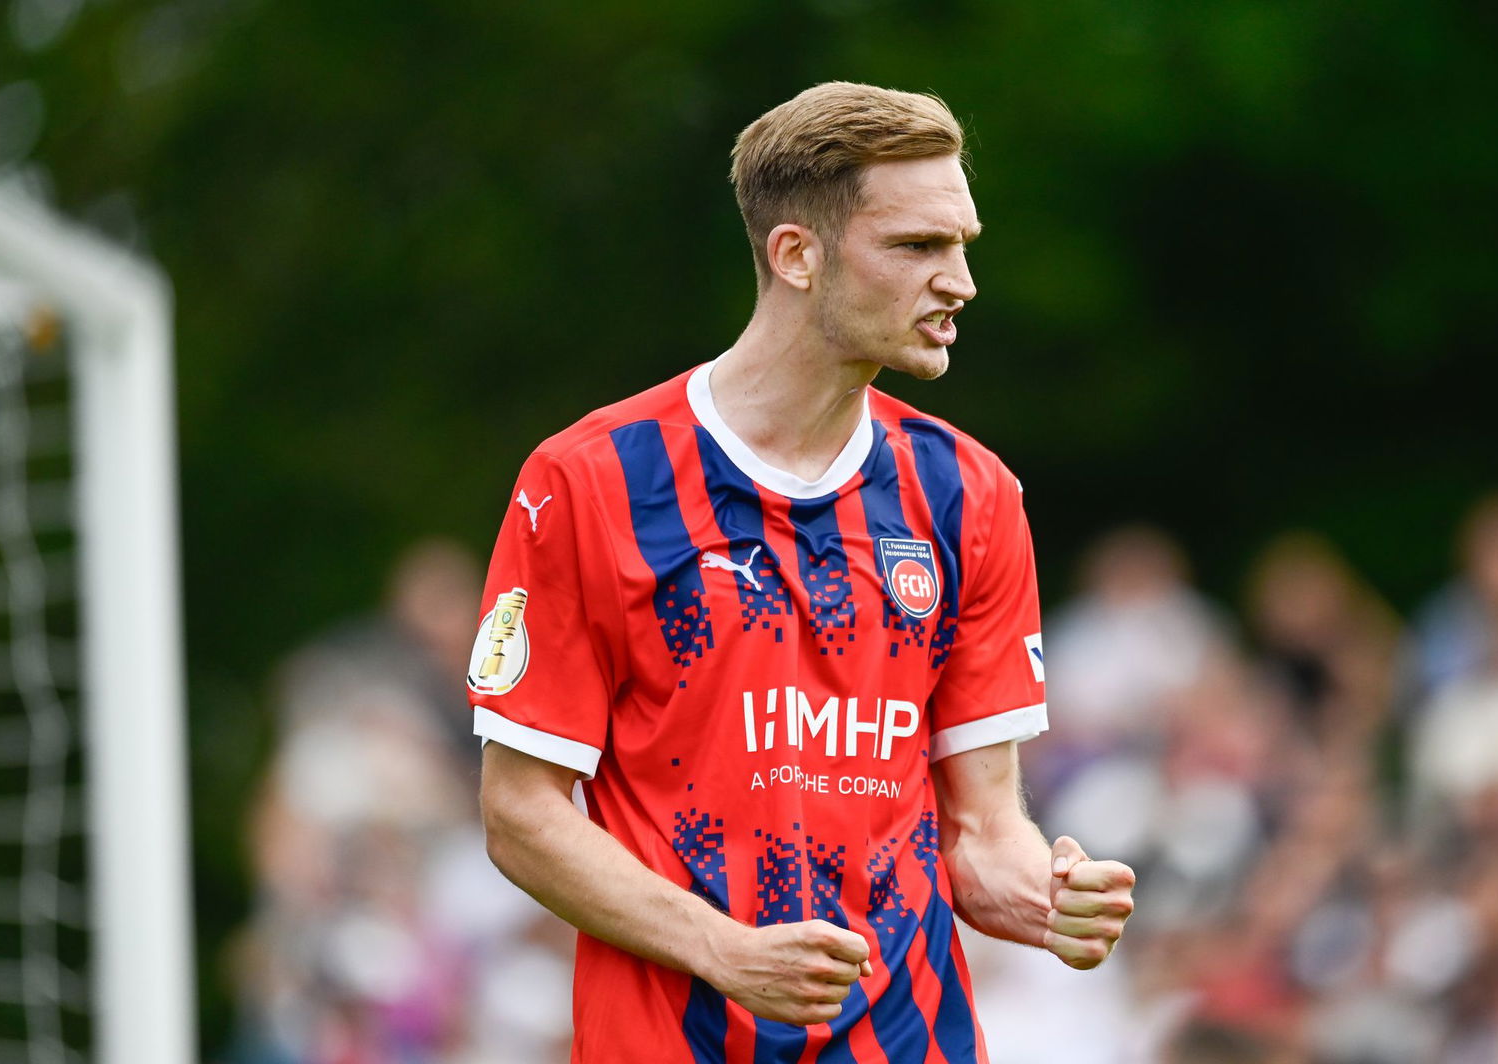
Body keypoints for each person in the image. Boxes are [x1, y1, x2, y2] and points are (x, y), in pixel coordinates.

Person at [468, 82, 1135, 1063]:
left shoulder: (970, 495)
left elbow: (984, 830)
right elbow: (519, 813)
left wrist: (1051, 896)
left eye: (962, 245)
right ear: (796, 255)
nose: (960, 282)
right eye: (917, 247)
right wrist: (723, 948)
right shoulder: (593, 480)